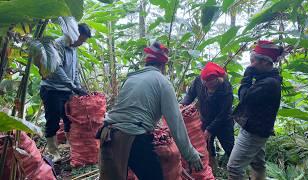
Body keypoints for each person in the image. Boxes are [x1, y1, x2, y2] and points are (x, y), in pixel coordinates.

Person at [98, 42, 203, 180]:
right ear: (163, 66)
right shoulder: (163, 82)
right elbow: (176, 123)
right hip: (132, 137)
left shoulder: (131, 78)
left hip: (108, 135)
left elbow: (131, 110)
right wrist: (190, 154)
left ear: (147, 62)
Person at [227, 40, 283, 180]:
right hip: (258, 128)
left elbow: (244, 97)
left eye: (253, 61)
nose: (251, 65)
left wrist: (247, 77)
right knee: (257, 164)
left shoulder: (269, 83)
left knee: (234, 168)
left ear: (265, 63)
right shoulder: (268, 78)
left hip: (254, 131)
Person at [40, 23, 91, 162]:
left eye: (83, 41)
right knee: (53, 120)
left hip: (67, 91)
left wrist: (78, 88)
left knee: (70, 120)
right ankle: (54, 153)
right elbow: (57, 69)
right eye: (80, 40)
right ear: (73, 34)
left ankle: (72, 148)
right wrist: (73, 86)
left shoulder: (74, 48)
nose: (81, 43)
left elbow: (74, 71)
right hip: (52, 90)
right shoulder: (57, 45)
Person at [181, 62, 234, 170]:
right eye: (204, 82)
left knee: (230, 148)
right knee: (207, 148)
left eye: (210, 82)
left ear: (217, 79)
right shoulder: (199, 81)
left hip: (223, 123)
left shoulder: (226, 88)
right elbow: (190, 95)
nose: (206, 84)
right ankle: (212, 171)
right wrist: (182, 106)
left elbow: (223, 113)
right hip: (205, 120)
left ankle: (236, 171)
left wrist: (210, 129)